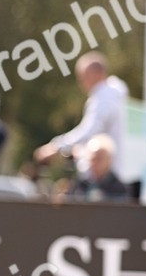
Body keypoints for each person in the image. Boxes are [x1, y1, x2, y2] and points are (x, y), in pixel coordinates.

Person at [33, 51, 128, 182]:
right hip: (108, 174)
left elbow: (88, 132)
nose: (81, 82)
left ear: (97, 74)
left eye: (84, 77)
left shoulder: (103, 99)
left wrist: (56, 147)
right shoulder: (110, 96)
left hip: (101, 178)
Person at [54, 134, 130, 202]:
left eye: (99, 158)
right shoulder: (81, 184)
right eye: (92, 159)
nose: (95, 163)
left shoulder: (119, 188)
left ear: (109, 160)